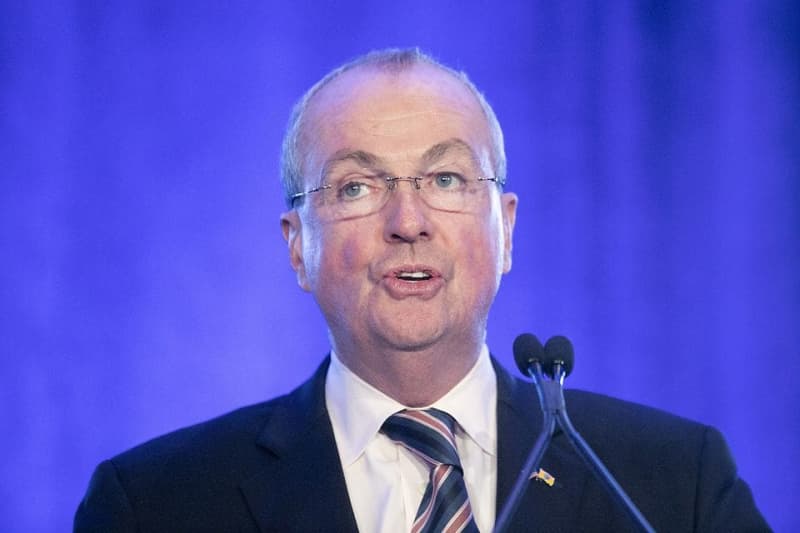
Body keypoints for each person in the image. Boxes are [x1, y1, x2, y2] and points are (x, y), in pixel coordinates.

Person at [74, 48, 769, 532]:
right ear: (297, 246)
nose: (408, 222)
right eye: (357, 186)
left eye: (445, 179)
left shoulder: (672, 481)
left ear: (505, 227)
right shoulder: (156, 504)